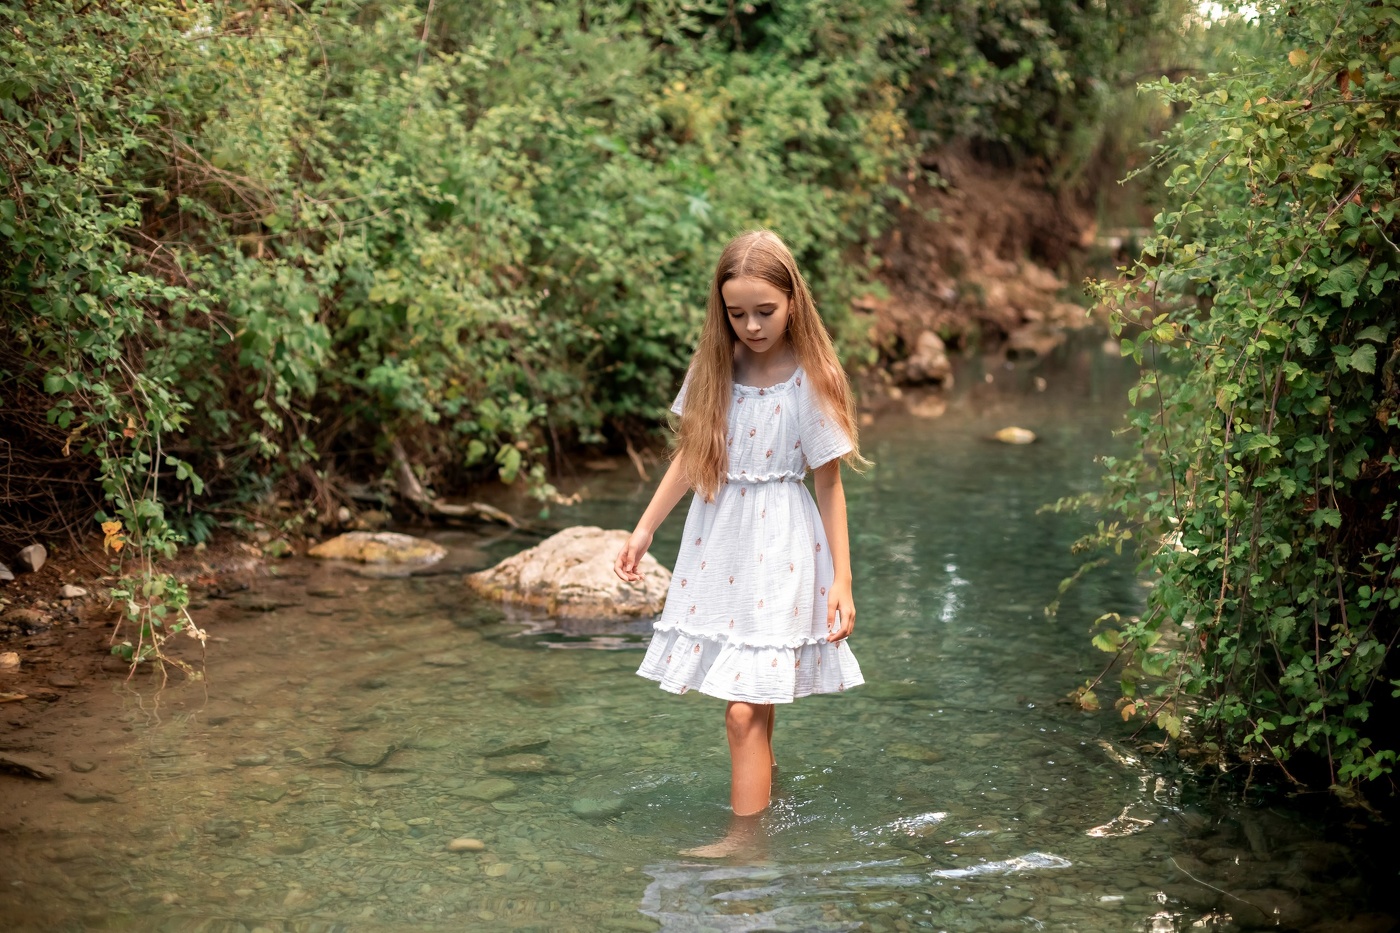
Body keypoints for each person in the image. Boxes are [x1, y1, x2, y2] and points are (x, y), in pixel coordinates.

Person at [613, 229, 867, 857]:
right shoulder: (714, 368)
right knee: (754, 699)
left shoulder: (812, 377)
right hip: (720, 542)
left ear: (793, 303)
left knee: (742, 711)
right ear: (720, 310)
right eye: (736, 313)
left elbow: (828, 481)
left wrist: (842, 578)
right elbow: (690, 455)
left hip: (782, 545)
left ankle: (744, 841)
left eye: (765, 311)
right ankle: (769, 808)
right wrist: (645, 527)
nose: (751, 326)